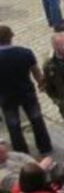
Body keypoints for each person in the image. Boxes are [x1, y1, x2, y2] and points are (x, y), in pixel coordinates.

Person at [0, 26, 53, 155]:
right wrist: (42, 84)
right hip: (27, 92)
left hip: (6, 97)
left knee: (13, 125)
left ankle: (22, 152)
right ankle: (45, 147)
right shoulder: (25, 52)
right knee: (36, 119)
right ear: (11, 37)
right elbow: (36, 72)